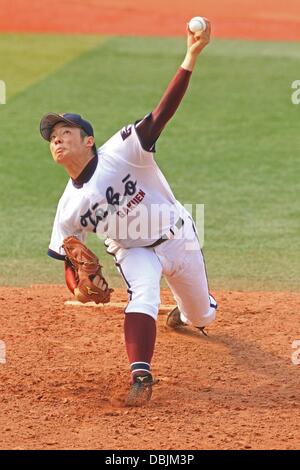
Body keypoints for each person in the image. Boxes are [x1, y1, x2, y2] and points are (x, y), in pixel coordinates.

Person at [40, 20, 217, 407]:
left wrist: (190, 56)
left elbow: (160, 115)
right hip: (133, 251)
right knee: (143, 296)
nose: (57, 138)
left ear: (88, 141)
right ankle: (141, 374)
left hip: (178, 237)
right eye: (52, 136)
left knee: (204, 317)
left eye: (65, 131)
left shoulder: (122, 151)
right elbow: (69, 259)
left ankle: (188, 318)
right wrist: (78, 287)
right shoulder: (68, 208)